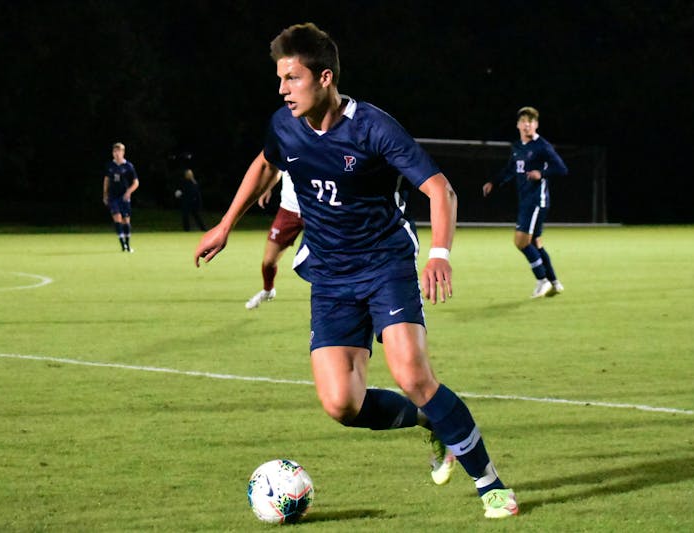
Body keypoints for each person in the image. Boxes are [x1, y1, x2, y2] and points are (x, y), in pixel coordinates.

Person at [194, 23, 517, 519]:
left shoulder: (373, 128)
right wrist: (225, 223)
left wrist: (439, 254)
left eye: (292, 78)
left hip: (384, 263)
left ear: (324, 77)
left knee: (411, 373)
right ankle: (433, 423)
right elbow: (264, 162)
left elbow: (440, 191)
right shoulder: (284, 125)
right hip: (329, 274)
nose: (282, 89)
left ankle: (489, 483)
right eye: (279, 78)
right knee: (341, 404)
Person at [482, 106, 568, 298]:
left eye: (531, 121)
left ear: (536, 125)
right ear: (518, 125)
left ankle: (542, 280)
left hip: (536, 200)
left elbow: (562, 168)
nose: (527, 125)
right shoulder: (517, 147)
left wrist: (542, 174)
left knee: (520, 242)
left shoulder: (542, 146)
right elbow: (511, 169)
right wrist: (494, 183)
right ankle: (554, 282)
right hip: (525, 199)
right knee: (536, 242)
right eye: (524, 121)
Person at [245, 170, 303, 309]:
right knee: (269, 261)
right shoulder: (287, 148)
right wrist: (268, 187)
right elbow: (278, 171)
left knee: (325, 260)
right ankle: (268, 290)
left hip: (316, 209)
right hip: (288, 211)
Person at [102, 142, 139, 252]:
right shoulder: (110, 166)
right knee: (117, 217)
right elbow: (106, 180)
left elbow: (136, 182)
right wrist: (105, 194)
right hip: (113, 196)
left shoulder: (128, 166)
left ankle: (128, 243)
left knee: (126, 221)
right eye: (114, 152)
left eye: (118, 151)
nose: (116, 154)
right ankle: (123, 245)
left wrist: (129, 192)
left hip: (124, 197)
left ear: (123, 152)